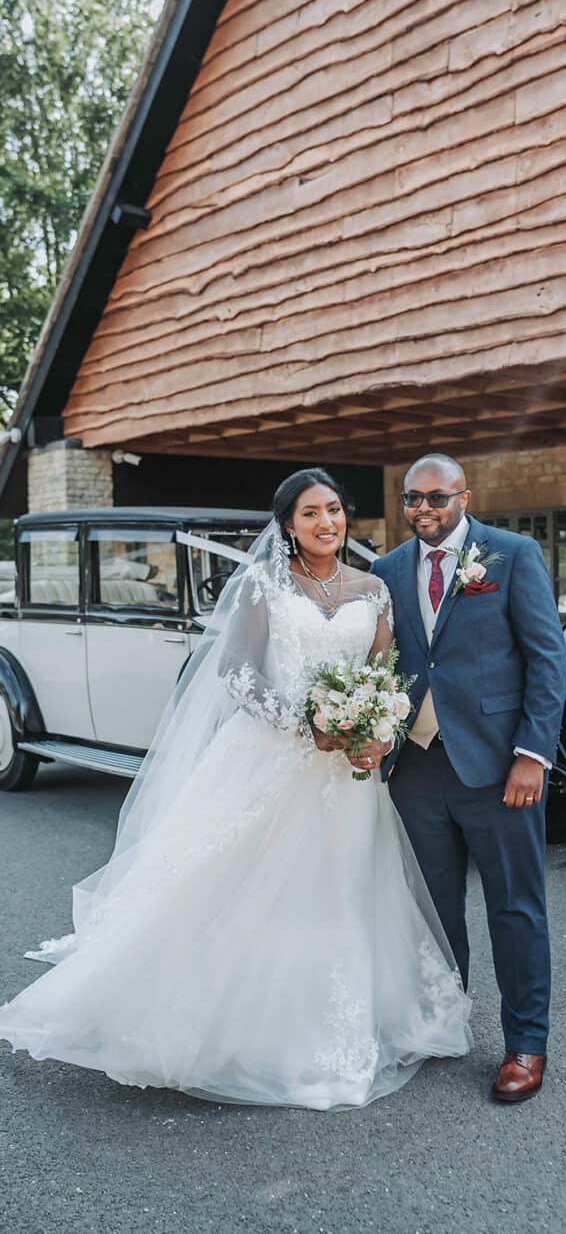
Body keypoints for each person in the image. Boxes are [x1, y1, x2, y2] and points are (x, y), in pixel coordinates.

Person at [0, 469, 471, 1111]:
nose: (325, 522)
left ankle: (343, 1017)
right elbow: (237, 672)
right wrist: (305, 723)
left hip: (347, 778)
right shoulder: (263, 586)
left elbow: (382, 675)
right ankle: (231, 1023)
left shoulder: (374, 589)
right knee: (245, 882)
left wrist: (377, 728)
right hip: (274, 758)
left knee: (343, 888)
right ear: (287, 525)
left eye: (333, 509)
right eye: (309, 513)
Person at [371, 454, 566, 1104]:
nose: (424, 510)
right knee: (433, 912)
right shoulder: (388, 570)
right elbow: (387, 663)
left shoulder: (510, 555)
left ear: (464, 496)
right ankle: (442, 1024)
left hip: (497, 770)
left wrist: (533, 756)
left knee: (514, 910)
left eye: (437, 498)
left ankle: (526, 1044)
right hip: (416, 769)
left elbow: (545, 658)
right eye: (412, 499)